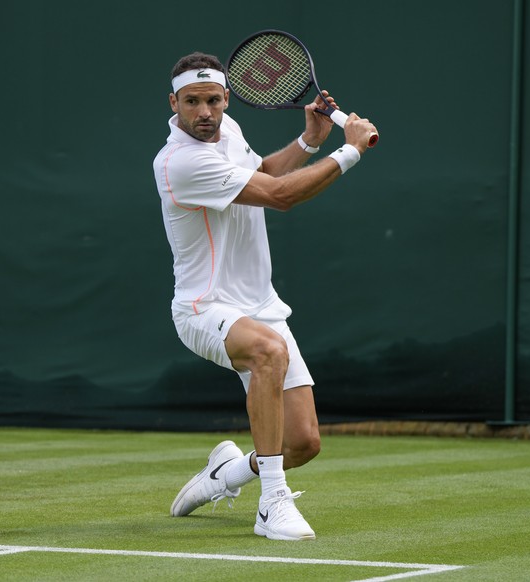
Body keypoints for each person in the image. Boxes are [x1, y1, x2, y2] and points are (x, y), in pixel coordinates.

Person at [152, 51, 377, 541]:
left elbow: (266, 176)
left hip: (259, 304)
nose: (205, 113)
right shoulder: (179, 162)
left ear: (227, 99)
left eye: (213, 100)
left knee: (302, 443)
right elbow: (280, 197)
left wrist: (309, 142)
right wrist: (350, 152)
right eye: (192, 102)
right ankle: (271, 504)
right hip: (204, 307)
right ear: (174, 103)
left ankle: (226, 474)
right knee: (268, 353)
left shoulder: (228, 132)